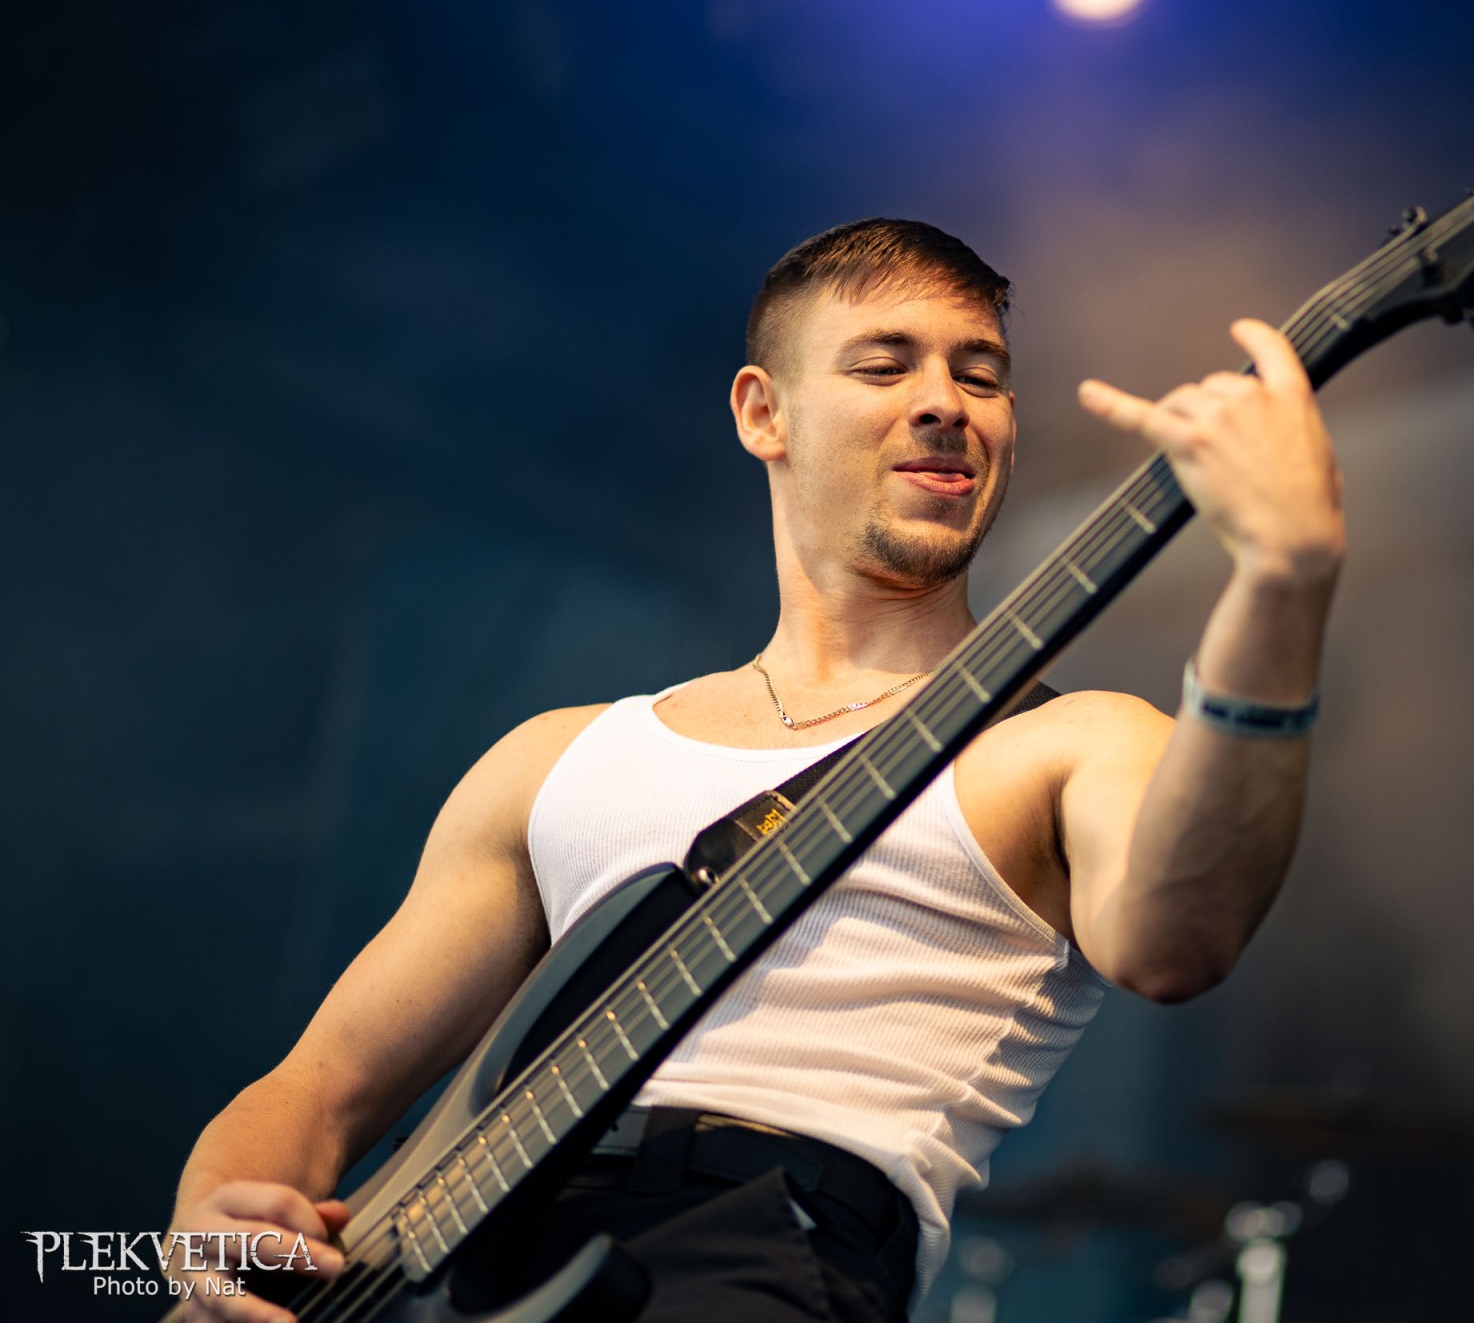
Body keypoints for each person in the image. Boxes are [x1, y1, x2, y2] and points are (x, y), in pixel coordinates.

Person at [167, 218, 1346, 1321]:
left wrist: (1282, 578)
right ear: (762, 412)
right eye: (884, 364)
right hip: (463, 1263)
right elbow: (319, 1086)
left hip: (761, 1251)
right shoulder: (557, 756)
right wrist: (209, 1224)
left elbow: (1176, 940)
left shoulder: (1071, 741)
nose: (945, 402)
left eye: (980, 374)